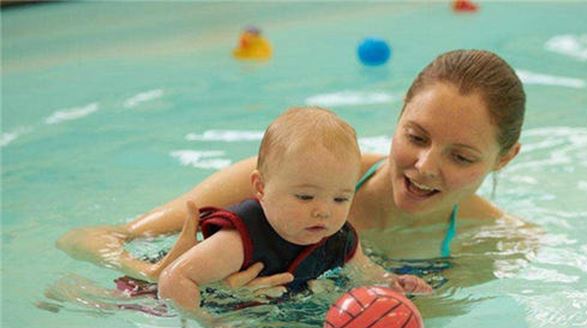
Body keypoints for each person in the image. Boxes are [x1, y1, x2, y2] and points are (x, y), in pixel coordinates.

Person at [56, 49, 527, 294]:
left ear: (504, 158)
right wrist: (152, 270)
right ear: (398, 116)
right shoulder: (275, 182)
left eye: (461, 157)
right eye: (416, 137)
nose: (424, 167)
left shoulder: (492, 241)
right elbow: (85, 238)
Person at [155, 107, 431, 314]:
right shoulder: (240, 240)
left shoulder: (339, 238)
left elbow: (366, 272)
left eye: (340, 199)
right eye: (305, 196)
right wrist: (204, 323)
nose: (323, 211)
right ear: (260, 187)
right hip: (161, 303)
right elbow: (174, 278)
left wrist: (395, 283)